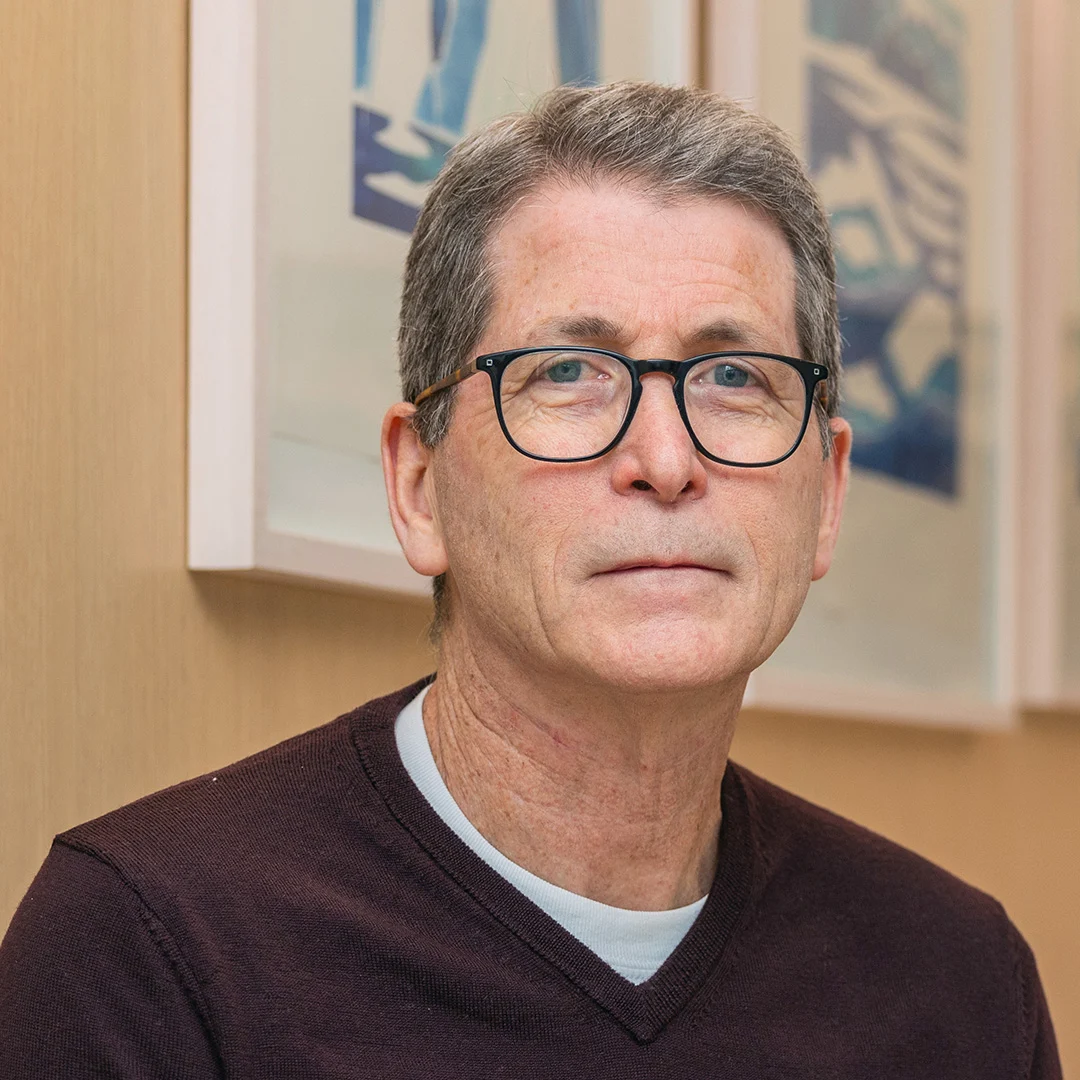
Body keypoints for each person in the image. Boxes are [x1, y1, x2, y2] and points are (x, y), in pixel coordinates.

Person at [0, 82, 1060, 1078]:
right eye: (567, 373)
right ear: (419, 485)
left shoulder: (959, 981)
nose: (666, 460)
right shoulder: (153, 949)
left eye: (735, 377)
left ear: (826, 497)